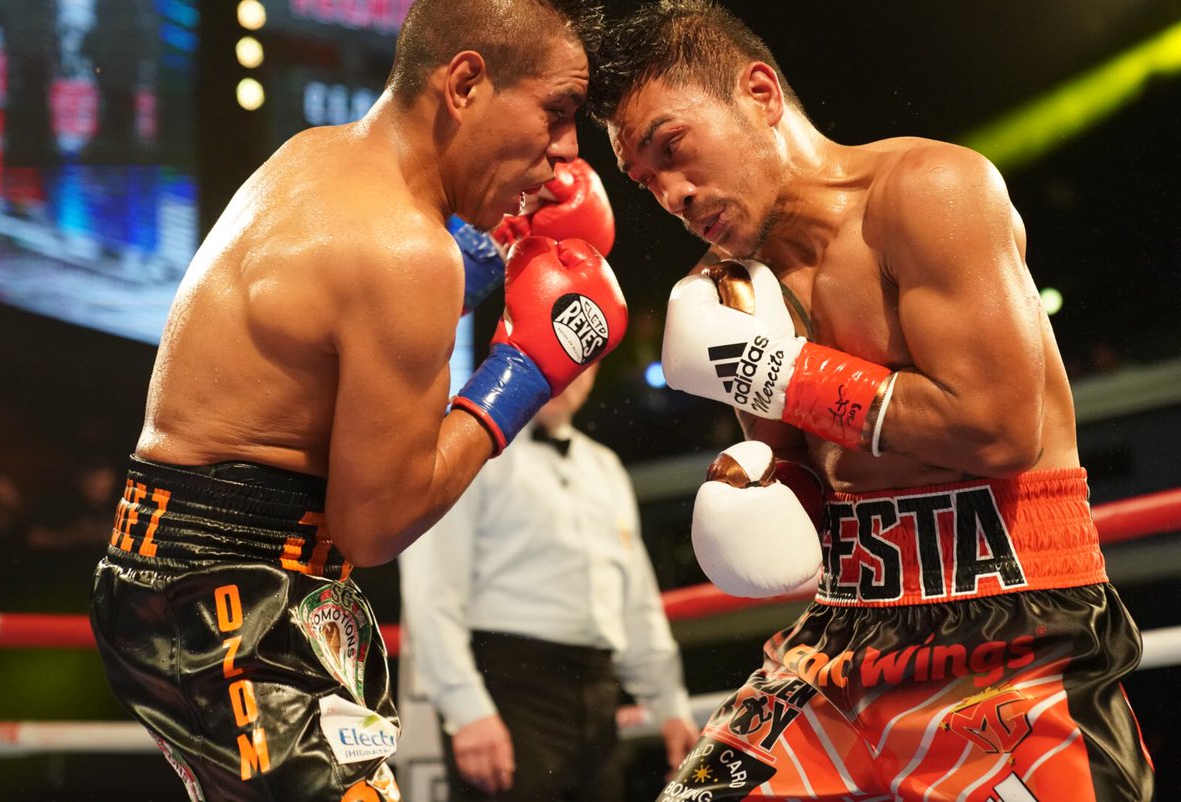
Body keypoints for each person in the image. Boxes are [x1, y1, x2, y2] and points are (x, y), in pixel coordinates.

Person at [586, 2, 1153, 800]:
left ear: (759, 92)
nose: (671, 194)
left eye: (672, 148)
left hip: (1012, 631)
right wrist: (751, 497)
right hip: (837, 642)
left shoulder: (929, 190)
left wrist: (777, 371)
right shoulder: (734, 294)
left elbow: (998, 428)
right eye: (645, 181)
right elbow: (801, 479)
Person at [87, 1, 628, 800]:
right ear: (466, 83)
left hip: (205, 579)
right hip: (234, 602)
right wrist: (523, 373)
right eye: (557, 112)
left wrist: (483, 266)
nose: (567, 151)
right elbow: (377, 524)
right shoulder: (405, 250)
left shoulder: (317, 158)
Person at [399, 363, 699, 801]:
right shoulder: (467, 451)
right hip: (509, 686)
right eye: (552, 357)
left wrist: (669, 705)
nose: (563, 375)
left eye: (580, 362)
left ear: (595, 371)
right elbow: (432, 589)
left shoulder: (605, 467)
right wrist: (467, 711)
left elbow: (636, 603)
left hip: (598, 694)